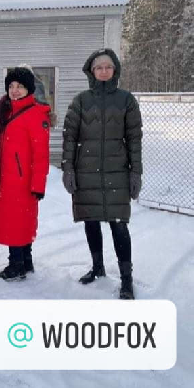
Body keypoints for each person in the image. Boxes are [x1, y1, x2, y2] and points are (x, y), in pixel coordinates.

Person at [61, 48, 143, 300]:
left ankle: (126, 279)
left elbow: (134, 139)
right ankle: (97, 267)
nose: (104, 71)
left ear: (115, 70)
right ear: (92, 71)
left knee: (119, 225)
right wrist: (68, 168)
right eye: (99, 67)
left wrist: (136, 172)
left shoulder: (126, 100)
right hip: (86, 171)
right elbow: (69, 138)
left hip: (117, 172)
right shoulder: (81, 101)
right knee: (91, 220)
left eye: (108, 67)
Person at [0, 67, 51, 280]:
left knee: (17, 222)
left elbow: (41, 154)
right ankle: (25, 261)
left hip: (23, 181)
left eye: (20, 86)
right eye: (11, 86)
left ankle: (16, 265)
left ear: (29, 89)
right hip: (8, 179)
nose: (15, 90)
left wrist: (38, 185)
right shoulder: (7, 111)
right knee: (18, 221)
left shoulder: (34, 114)